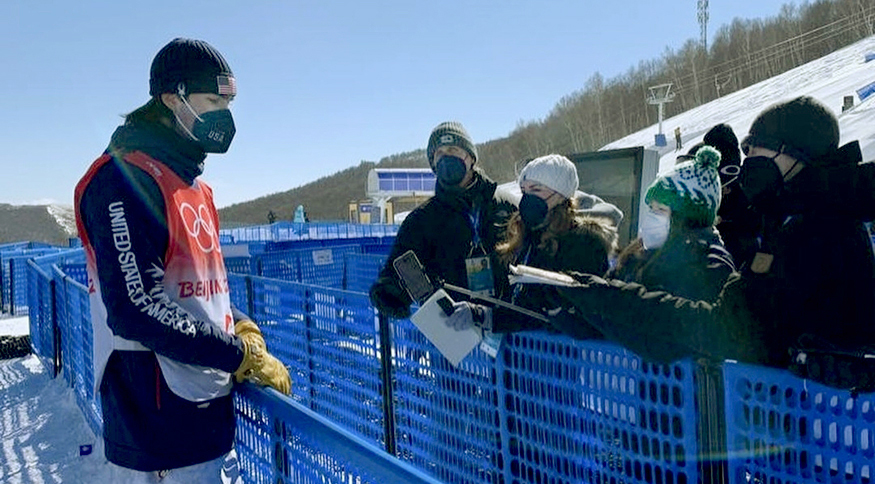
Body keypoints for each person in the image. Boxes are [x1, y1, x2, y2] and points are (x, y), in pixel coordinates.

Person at [74, 38, 291, 482]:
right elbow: (137, 307)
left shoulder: (195, 186)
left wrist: (240, 324)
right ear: (173, 99)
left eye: (228, 102)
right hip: (157, 435)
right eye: (213, 101)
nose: (224, 115)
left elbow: (202, 291)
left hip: (205, 419)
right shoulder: (123, 180)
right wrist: (238, 355)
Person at [553, 96, 875, 391]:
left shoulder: (823, 228)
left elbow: (723, 329)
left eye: (756, 149)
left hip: (823, 433)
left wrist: (604, 299)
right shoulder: (794, 221)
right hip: (805, 425)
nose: (748, 161)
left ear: (792, 152)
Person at [443, 153, 619, 334]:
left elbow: (582, 315)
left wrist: (554, 306)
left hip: (565, 355)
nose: (528, 198)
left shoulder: (584, 243)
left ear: (560, 194)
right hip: (528, 353)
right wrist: (481, 314)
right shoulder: (529, 234)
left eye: (536, 190)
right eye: (524, 191)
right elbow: (523, 307)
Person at [369, 121, 515, 317]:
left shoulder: (505, 205)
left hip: (510, 331)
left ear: (471, 158)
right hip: (455, 331)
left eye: (453, 150)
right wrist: (388, 294)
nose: (447, 157)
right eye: (439, 154)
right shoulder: (421, 220)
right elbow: (399, 269)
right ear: (433, 165)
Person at [609, 145, 734, 303]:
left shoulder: (710, 266)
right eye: (651, 208)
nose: (651, 217)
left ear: (686, 217)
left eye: (661, 209)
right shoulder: (642, 253)